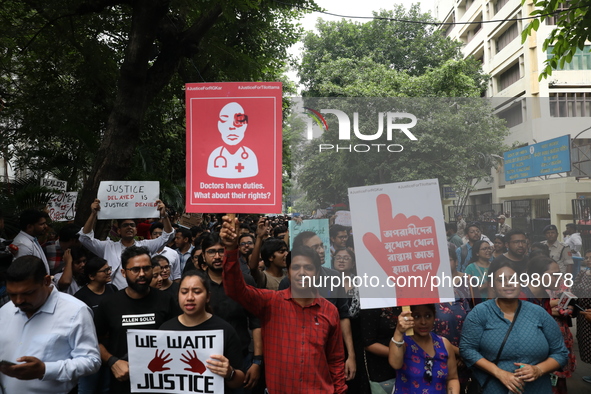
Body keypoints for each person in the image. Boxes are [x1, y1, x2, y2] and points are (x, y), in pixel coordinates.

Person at [221, 215, 347, 393]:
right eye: (295, 267)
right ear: (288, 272)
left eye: (308, 268)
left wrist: (340, 390)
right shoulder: (271, 302)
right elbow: (235, 290)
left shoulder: (330, 311)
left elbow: (335, 360)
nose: (301, 273)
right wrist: (231, 249)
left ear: (317, 272)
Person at [460, 260, 569, 394]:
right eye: (501, 280)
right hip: (494, 388)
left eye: (513, 278)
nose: (508, 283)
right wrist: (499, 373)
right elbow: (467, 349)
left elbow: (561, 353)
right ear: (493, 285)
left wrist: (539, 369)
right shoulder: (480, 313)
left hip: (537, 388)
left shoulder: (538, 313)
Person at [0, 255, 101, 393]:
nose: (18, 301)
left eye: (28, 293)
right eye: (12, 294)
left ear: (46, 281)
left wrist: (45, 370)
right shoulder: (5, 311)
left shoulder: (75, 311)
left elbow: (91, 361)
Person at [93, 246, 180, 394]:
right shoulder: (109, 304)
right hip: (124, 384)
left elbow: (181, 335)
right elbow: (93, 340)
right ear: (123, 273)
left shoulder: (167, 300)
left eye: (146, 268)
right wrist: (112, 361)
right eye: (135, 269)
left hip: (163, 383)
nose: (142, 274)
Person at [160, 270, 245, 389]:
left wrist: (230, 373)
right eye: (184, 292)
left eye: (197, 292)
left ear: (208, 297)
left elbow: (239, 381)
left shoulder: (224, 330)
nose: (190, 297)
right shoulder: (165, 330)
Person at [79, 198, 173, 289]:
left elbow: (168, 236)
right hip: (115, 297)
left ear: (136, 230)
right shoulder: (107, 247)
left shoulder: (145, 246)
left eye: (132, 225)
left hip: (141, 293)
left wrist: (164, 215)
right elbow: (84, 238)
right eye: (125, 225)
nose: (129, 227)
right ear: (119, 231)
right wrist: (93, 214)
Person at [521, 255, 576, 394]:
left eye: (560, 274)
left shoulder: (544, 295)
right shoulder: (521, 296)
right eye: (554, 275)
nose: (559, 278)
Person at [389, 304, 460, 394]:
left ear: (434, 317)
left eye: (428, 316)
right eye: (417, 316)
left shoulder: (444, 344)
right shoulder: (402, 342)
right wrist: (398, 332)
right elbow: (395, 364)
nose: (423, 322)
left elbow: (452, 378)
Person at [74, 256, 118, 394]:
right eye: (104, 270)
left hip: (110, 348)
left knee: (106, 387)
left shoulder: (113, 290)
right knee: (88, 389)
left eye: (109, 269)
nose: (109, 272)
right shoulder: (81, 297)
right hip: (89, 350)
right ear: (92, 276)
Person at [207, 102, 258, 178]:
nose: (232, 126)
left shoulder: (250, 156)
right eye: (224, 119)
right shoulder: (214, 155)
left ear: (246, 125)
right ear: (218, 125)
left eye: (239, 120)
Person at [572, 249, 591, 384]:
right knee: (586, 342)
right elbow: (574, 289)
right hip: (583, 314)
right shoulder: (583, 273)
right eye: (587, 258)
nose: (588, 260)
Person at [10, 209, 50, 273]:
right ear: (29, 227)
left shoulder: (31, 240)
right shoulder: (23, 244)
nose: (46, 226)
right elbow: (21, 273)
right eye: (42, 224)